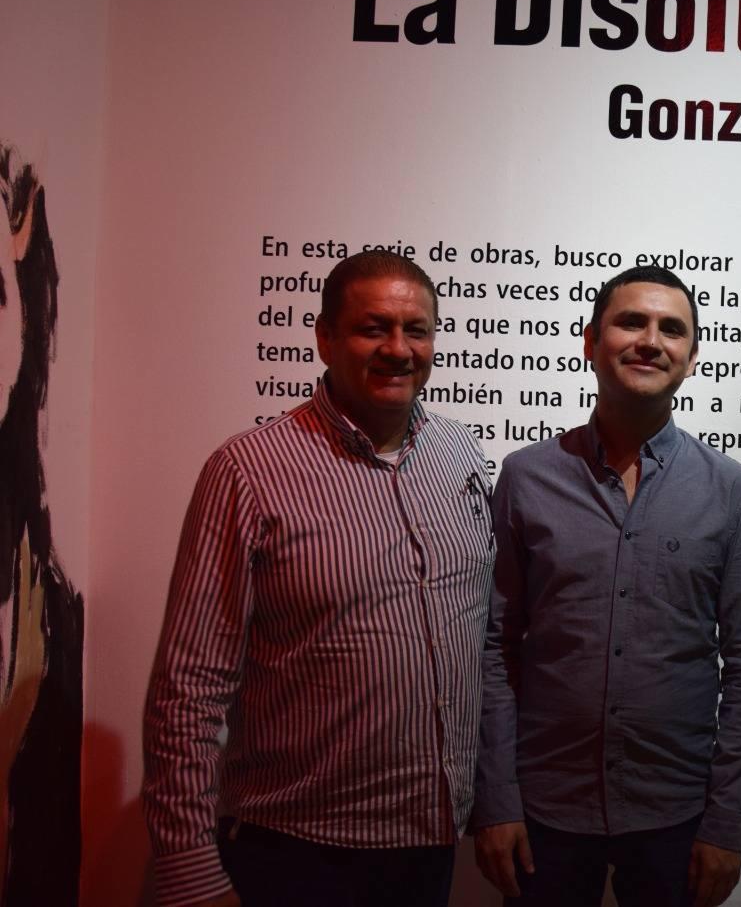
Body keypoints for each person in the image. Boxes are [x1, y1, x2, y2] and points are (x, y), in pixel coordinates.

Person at [142, 252, 495, 907]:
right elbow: (189, 685)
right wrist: (189, 868)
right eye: (373, 328)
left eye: (416, 330)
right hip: (294, 854)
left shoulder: (459, 453)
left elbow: (482, 639)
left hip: (428, 849)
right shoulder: (247, 471)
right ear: (325, 338)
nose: (398, 349)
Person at [473, 265, 741, 907]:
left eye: (672, 329)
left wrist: (726, 822)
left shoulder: (729, 490)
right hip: (545, 808)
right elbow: (494, 648)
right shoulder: (526, 478)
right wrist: (495, 800)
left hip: (677, 812)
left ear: (692, 357)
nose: (650, 341)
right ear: (590, 341)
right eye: (631, 322)